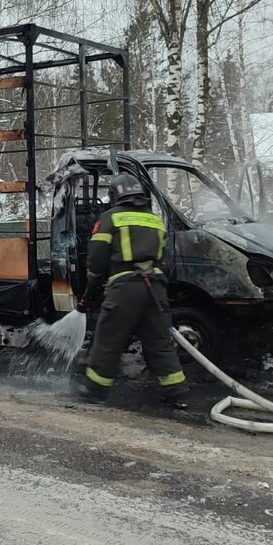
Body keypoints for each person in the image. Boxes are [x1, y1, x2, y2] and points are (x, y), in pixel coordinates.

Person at [76, 173, 188, 409]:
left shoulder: (110, 218)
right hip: (156, 288)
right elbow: (166, 257)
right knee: (159, 341)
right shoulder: (154, 219)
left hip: (125, 289)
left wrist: (91, 286)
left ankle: (94, 390)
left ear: (115, 195)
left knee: (109, 338)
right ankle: (176, 392)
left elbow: (96, 259)